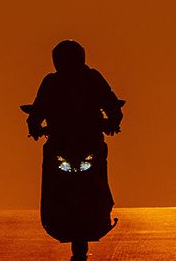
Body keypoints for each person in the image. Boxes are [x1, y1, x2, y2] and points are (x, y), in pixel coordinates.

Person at [21, 40, 124, 261]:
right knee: (49, 168)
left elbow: (111, 102)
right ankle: (53, 210)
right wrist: (34, 125)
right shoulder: (51, 83)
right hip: (60, 144)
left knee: (100, 167)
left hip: (89, 143)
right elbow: (38, 109)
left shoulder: (93, 79)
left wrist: (114, 120)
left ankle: (103, 204)